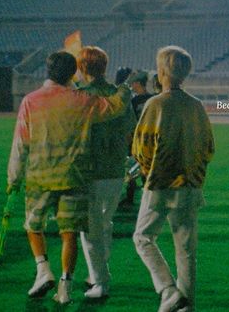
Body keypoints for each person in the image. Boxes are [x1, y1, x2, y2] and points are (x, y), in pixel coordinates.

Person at [6, 51, 131, 304]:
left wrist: (14, 178)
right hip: (75, 176)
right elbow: (116, 107)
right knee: (70, 233)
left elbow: (21, 144)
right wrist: (126, 88)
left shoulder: (30, 101)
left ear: (47, 71)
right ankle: (65, 285)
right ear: (73, 73)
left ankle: (42, 270)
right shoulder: (83, 100)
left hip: (40, 176)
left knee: (33, 226)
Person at [132, 46, 214, 312]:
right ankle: (186, 305)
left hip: (160, 185)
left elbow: (141, 146)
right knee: (186, 250)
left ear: (162, 70)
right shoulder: (196, 106)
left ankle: (168, 290)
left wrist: (146, 169)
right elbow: (208, 148)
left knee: (143, 238)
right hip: (190, 186)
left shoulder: (155, 104)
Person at [76, 47, 137, 299]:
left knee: (89, 229)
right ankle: (97, 272)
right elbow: (130, 129)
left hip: (88, 169)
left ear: (82, 67)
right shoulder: (117, 95)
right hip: (114, 168)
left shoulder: (79, 96)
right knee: (105, 223)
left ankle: (100, 280)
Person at [120, 70, 154, 207]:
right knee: (145, 170)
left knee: (132, 171)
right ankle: (149, 199)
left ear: (138, 83)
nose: (131, 86)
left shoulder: (133, 102)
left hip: (136, 140)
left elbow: (129, 122)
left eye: (133, 83)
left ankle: (130, 198)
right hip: (149, 141)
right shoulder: (153, 99)